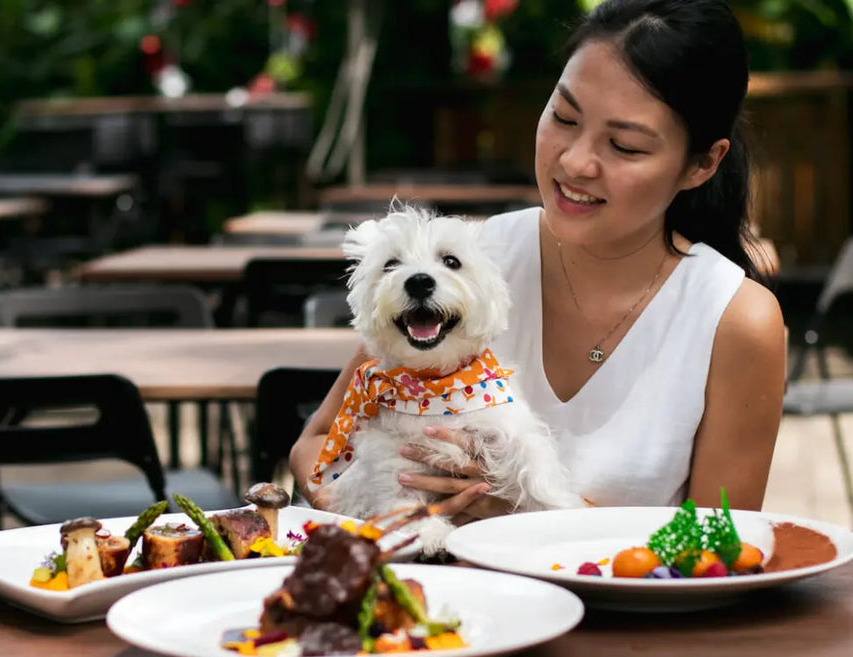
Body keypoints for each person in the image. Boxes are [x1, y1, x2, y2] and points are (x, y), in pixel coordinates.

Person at [289, 0, 786, 520]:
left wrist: (514, 519)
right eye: (564, 117)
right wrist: (362, 496)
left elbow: (717, 550)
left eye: (624, 146)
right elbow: (319, 442)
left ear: (703, 163)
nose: (574, 161)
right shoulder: (467, 261)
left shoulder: (733, 319)